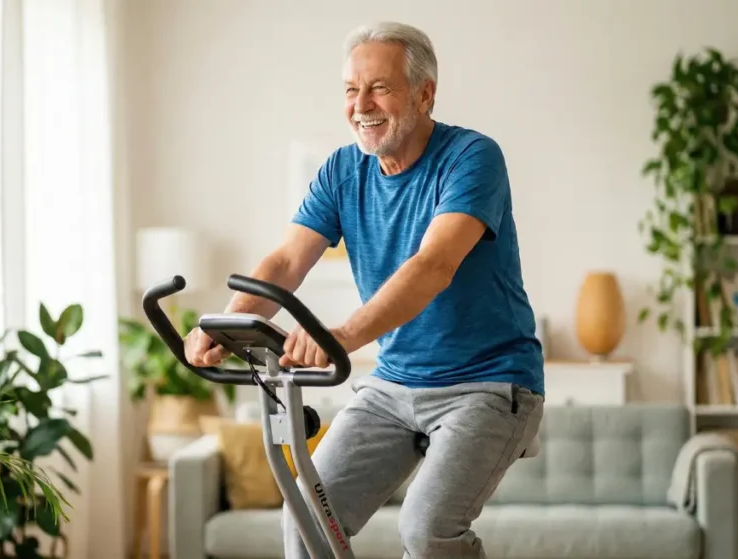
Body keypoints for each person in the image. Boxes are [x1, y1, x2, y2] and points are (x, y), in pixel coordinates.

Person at [184, 21, 545, 559]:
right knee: (305, 515)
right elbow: (287, 260)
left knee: (426, 529)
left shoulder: (472, 157)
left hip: (488, 384)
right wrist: (226, 322)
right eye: (351, 90)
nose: (361, 105)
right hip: (394, 384)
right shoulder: (342, 171)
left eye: (379, 88)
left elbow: (434, 265)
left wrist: (342, 335)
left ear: (424, 94)